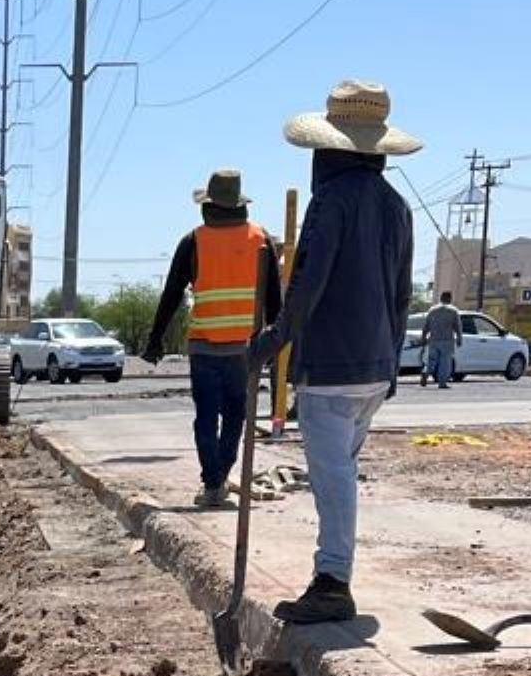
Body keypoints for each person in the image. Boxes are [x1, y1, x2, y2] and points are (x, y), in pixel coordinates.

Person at [249, 78, 417, 624]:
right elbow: (399, 292)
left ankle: (332, 580)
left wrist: (274, 340)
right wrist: (391, 361)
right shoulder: (396, 206)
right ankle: (332, 573)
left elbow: (308, 283)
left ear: (329, 149)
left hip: (332, 367)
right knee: (340, 469)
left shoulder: (332, 201)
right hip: (373, 367)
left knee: (332, 477)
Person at [143, 168, 283, 508]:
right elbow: (275, 302)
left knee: (206, 416)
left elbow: (171, 295)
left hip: (204, 346)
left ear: (208, 207)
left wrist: (155, 340)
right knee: (236, 415)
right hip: (244, 349)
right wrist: (276, 346)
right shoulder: (261, 239)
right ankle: (219, 475)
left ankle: (213, 482)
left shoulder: (193, 241)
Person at [420, 291, 461, 389]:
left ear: (441, 298)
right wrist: (459, 338)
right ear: (450, 298)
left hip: (434, 340)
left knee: (431, 360)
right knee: (445, 362)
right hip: (447, 340)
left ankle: (426, 372)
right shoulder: (453, 311)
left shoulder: (432, 310)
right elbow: (458, 327)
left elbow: (426, 326)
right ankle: (442, 382)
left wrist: (424, 337)